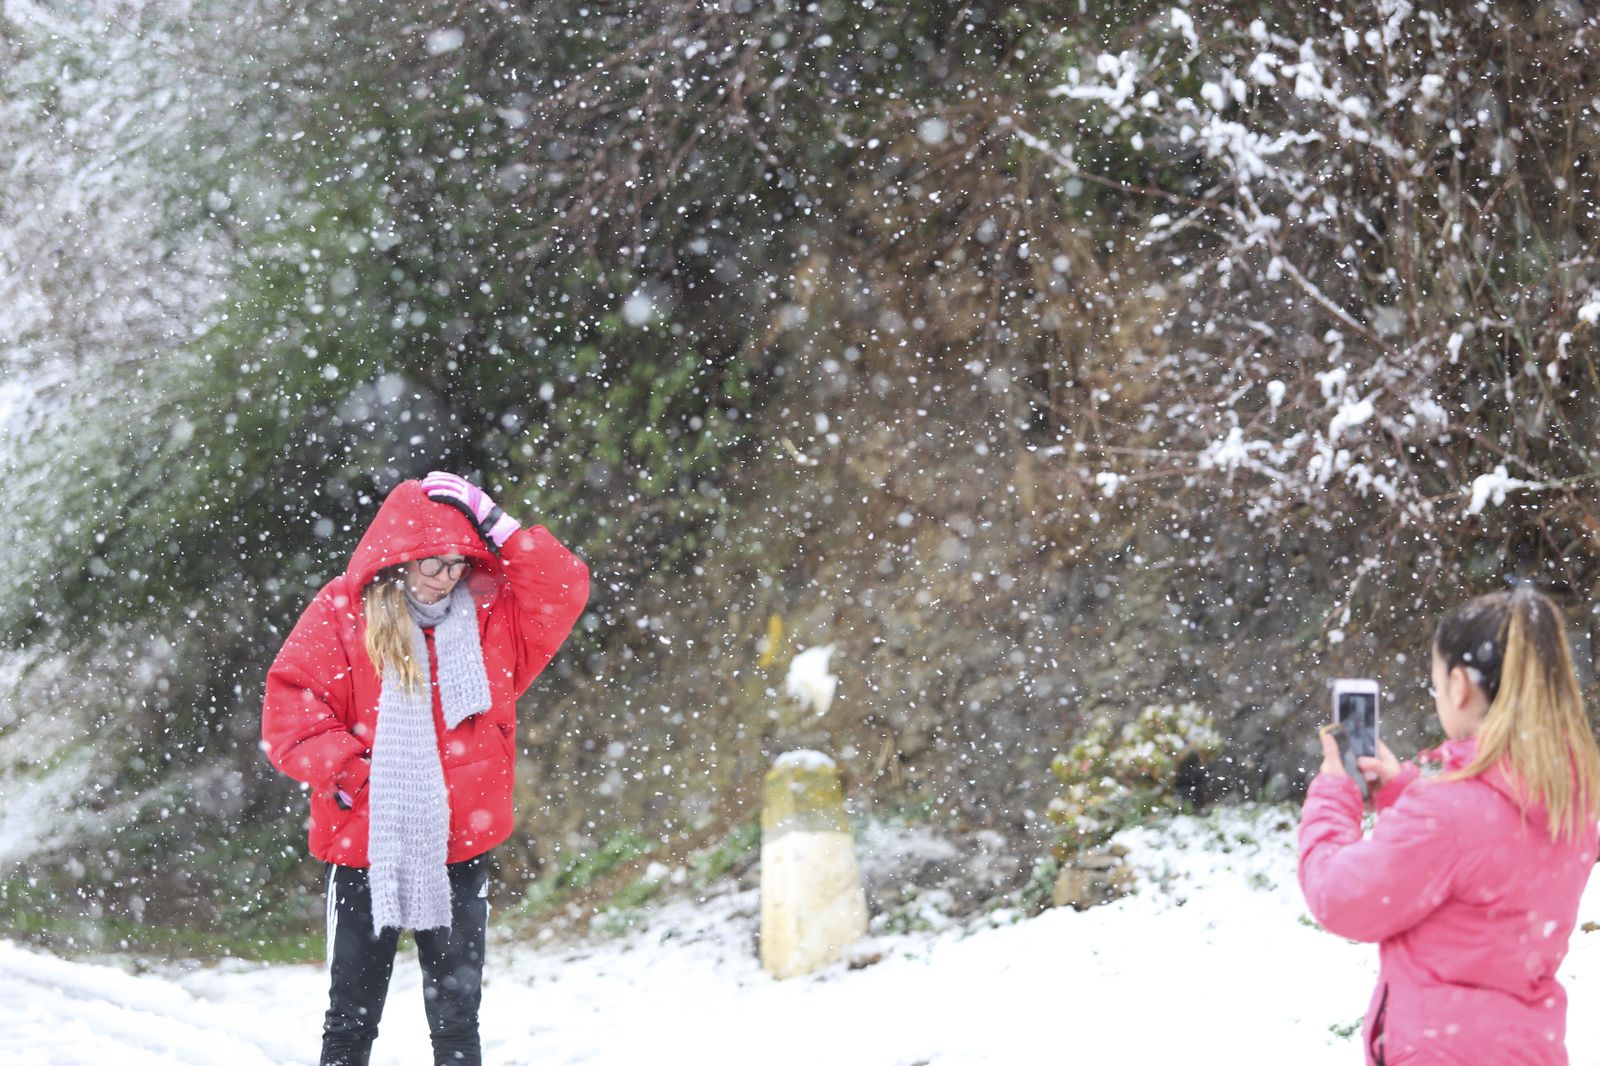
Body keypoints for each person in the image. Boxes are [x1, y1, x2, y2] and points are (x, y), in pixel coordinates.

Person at [262, 472, 590, 1066]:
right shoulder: (344, 614)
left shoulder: (492, 622)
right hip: (366, 844)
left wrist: (495, 522)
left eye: (458, 561)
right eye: (431, 563)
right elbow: (292, 714)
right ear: (397, 560)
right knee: (350, 1024)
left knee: (457, 1024)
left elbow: (563, 588)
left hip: (459, 844)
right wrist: (358, 779)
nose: (447, 577)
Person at [1299, 586, 1600, 1065]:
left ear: (1459, 686)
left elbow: (1341, 898)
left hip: (1443, 1051)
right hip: (1528, 1048)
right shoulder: (1569, 800)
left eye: (1437, 683)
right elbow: (1492, 842)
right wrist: (1407, 792)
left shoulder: (1448, 816)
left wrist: (1333, 797)